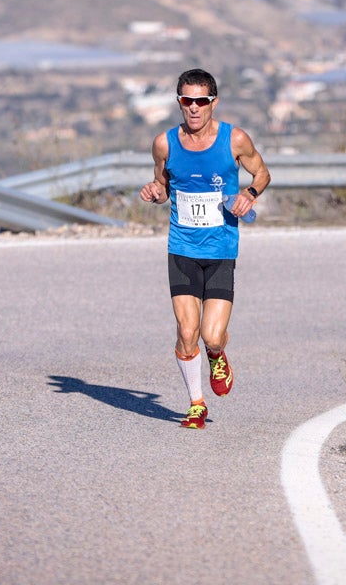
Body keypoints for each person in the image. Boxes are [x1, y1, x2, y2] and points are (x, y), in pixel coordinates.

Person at [139, 68, 271, 429]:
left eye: (201, 101)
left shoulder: (235, 140)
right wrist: (154, 193)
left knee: (211, 335)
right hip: (181, 247)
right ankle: (196, 403)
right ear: (179, 102)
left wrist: (249, 194)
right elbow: (162, 184)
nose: (194, 108)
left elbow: (262, 173)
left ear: (213, 102)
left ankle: (217, 354)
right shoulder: (165, 143)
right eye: (187, 100)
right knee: (186, 331)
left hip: (221, 249)